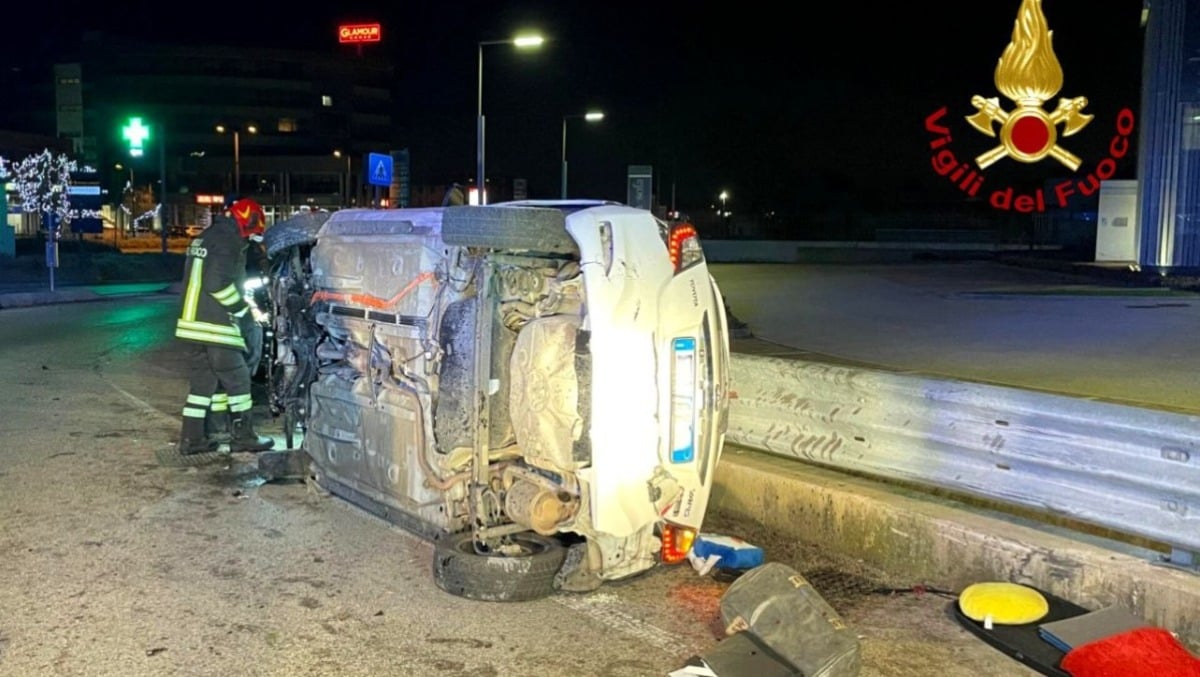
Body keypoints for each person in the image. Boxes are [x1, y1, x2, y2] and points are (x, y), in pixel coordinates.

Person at [174, 197, 275, 456]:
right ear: (247, 221)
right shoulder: (229, 241)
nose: (252, 237)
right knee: (239, 379)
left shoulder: (207, 237)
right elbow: (217, 283)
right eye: (253, 230)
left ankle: (192, 440)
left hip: (190, 326)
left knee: (202, 386)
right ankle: (243, 437)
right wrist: (242, 311)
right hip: (215, 325)